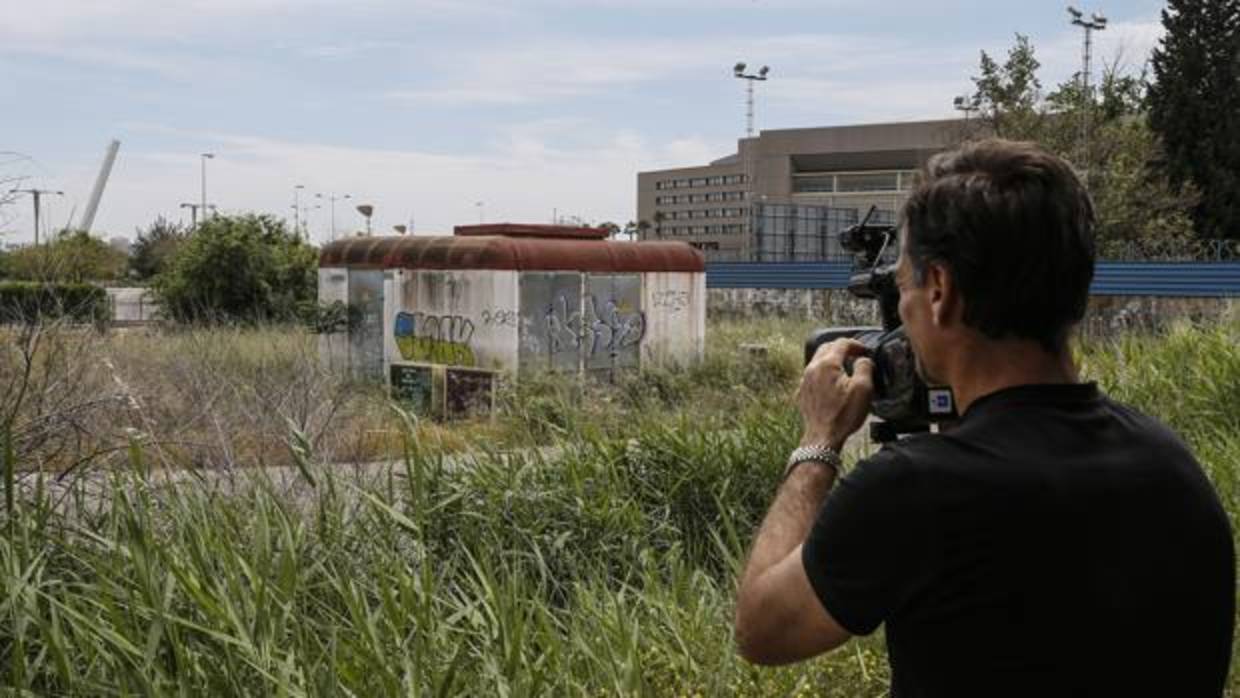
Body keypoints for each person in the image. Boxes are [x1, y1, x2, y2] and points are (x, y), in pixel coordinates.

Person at [733, 139, 1235, 696]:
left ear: (940, 291)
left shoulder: (917, 489)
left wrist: (820, 440)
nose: (900, 310)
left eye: (903, 285)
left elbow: (761, 629)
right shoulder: (1173, 467)